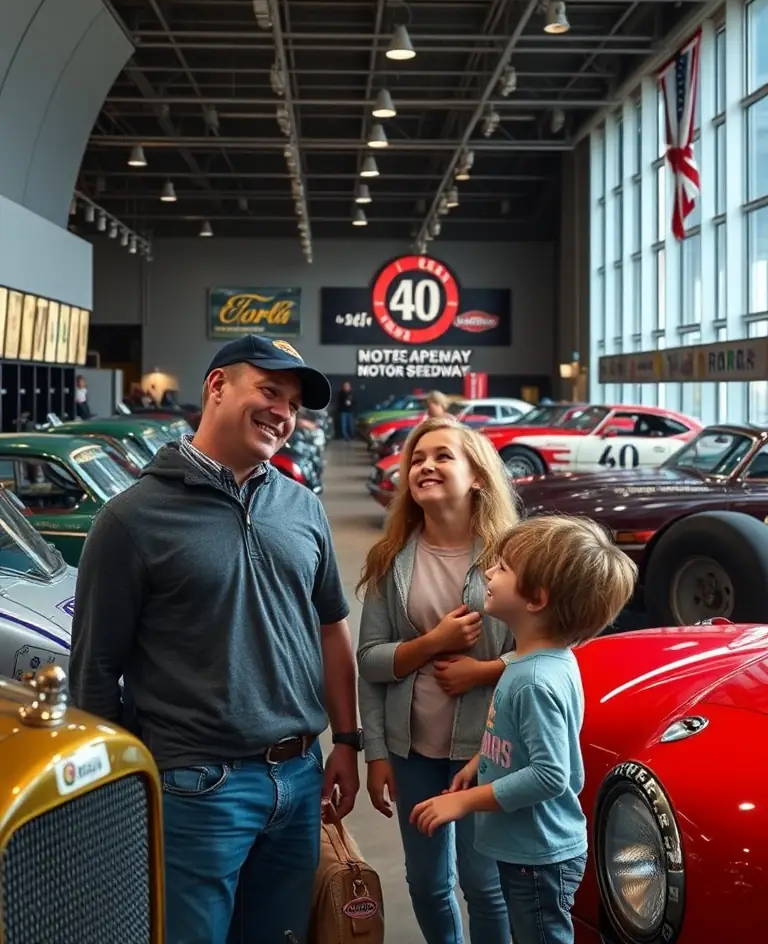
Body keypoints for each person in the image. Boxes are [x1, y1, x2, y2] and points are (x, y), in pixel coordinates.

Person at [69, 333, 362, 944]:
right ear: (217, 386)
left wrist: (347, 741)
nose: (284, 413)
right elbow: (95, 671)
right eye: (270, 391)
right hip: (196, 787)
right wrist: (109, 794)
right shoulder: (130, 519)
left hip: (301, 777)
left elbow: (332, 629)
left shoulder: (302, 507)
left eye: (294, 405)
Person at [411, 515, 638, 944]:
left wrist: (463, 802)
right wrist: (482, 762)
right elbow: (523, 743)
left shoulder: (534, 680)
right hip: (525, 845)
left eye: (502, 568)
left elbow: (550, 775)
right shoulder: (533, 662)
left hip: (538, 853)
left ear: (536, 598)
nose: (489, 572)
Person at [356, 416, 519, 944]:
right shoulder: (391, 560)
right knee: (427, 882)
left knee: (483, 881)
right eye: (417, 459)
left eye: (443, 456)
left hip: (488, 747)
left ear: (477, 476)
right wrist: (376, 753)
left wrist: (484, 670)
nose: (425, 465)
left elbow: (556, 652)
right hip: (412, 750)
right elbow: (371, 661)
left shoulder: (514, 555)